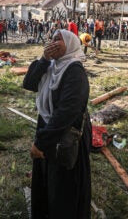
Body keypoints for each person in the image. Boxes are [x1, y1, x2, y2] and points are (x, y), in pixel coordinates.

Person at [23, 29, 91, 219]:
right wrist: (44, 58)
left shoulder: (74, 71)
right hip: (49, 128)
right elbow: (29, 83)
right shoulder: (51, 65)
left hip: (65, 134)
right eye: (51, 39)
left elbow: (66, 112)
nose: (53, 42)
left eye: (58, 39)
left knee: (63, 185)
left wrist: (41, 142)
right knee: (47, 180)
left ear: (70, 44)